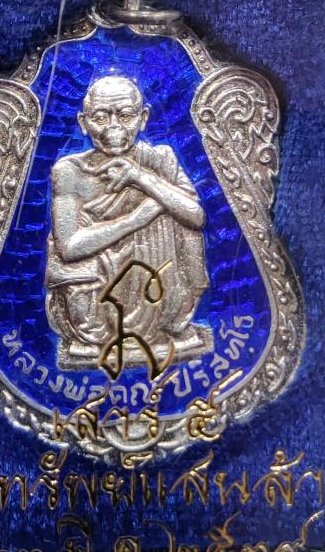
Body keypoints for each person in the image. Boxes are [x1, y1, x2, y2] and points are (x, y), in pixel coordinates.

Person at [45, 74, 212, 371]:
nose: (113, 128)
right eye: (101, 117)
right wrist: (137, 219)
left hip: (160, 286)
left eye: (124, 116)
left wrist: (140, 177)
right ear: (83, 122)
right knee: (160, 209)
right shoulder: (70, 171)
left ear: (143, 118)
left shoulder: (159, 160)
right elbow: (68, 247)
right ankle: (112, 332)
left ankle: (168, 320)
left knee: (178, 219)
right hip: (97, 299)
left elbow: (196, 217)